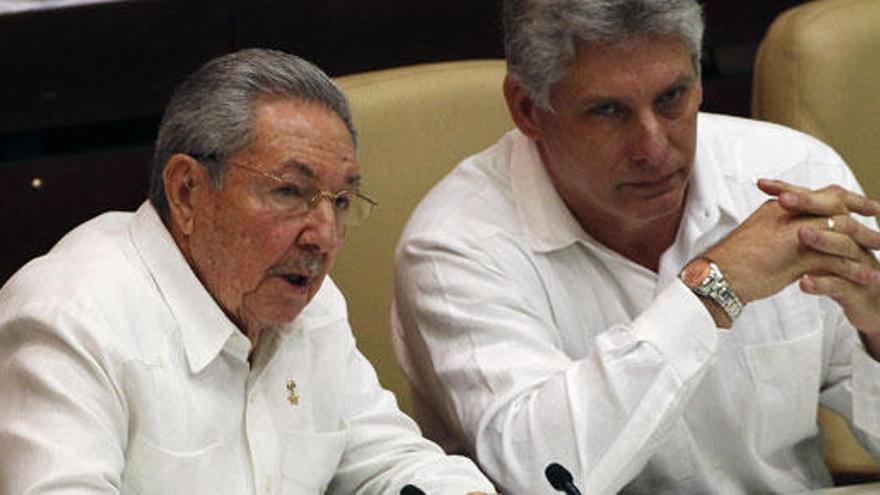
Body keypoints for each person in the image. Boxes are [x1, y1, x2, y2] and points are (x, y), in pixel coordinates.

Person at [391, 1, 880, 493]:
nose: (653, 148)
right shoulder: (453, 245)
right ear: (526, 109)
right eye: (608, 111)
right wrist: (713, 289)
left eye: (672, 97)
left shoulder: (795, 172)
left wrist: (877, 331)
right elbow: (544, 476)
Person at [0, 48, 495, 495]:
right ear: (187, 191)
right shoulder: (70, 321)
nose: (324, 235)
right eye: (288, 192)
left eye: (341, 201)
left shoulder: (310, 306)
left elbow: (391, 463)